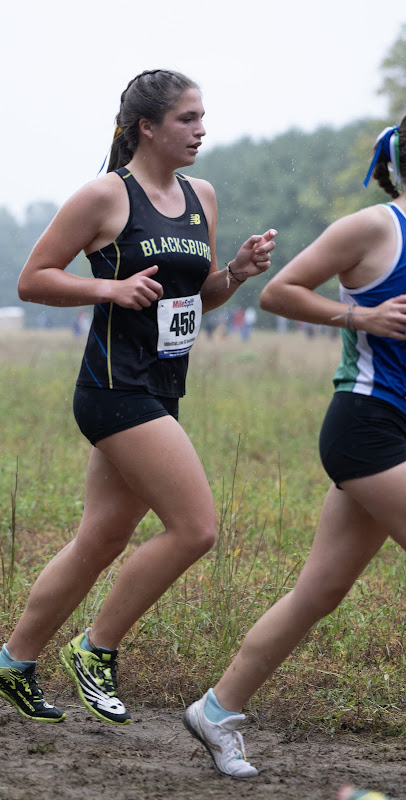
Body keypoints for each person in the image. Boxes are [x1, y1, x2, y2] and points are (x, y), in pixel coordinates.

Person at [0, 69, 276, 731]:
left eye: (203, 118)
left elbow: (197, 295)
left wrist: (235, 274)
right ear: (148, 126)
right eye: (188, 119)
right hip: (114, 389)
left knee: (101, 539)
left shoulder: (203, 196)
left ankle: (13, 660)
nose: (202, 130)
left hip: (163, 388)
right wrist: (108, 291)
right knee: (196, 529)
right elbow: (33, 280)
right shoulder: (105, 197)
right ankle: (97, 648)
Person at [183, 118, 406, 779]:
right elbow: (282, 291)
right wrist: (360, 316)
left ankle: (218, 710)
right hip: (368, 427)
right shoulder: (373, 228)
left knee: (320, 591)